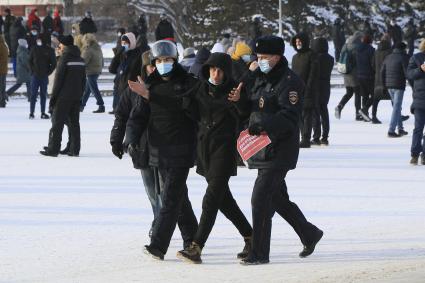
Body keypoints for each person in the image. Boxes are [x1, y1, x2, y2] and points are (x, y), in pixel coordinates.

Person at [239, 35, 323, 265]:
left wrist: (263, 125)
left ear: (277, 57)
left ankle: (259, 253)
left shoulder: (290, 81)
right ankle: (309, 233)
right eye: (258, 57)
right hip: (261, 148)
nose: (260, 61)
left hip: (280, 149)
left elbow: (289, 117)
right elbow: (249, 105)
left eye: (264, 57)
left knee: (261, 198)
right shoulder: (260, 78)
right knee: (276, 198)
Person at [176, 52, 253, 264]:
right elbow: (185, 106)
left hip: (225, 150)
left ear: (226, 72)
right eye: (212, 69)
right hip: (204, 150)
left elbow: (246, 113)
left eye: (220, 70)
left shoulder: (235, 90)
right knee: (224, 201)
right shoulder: (200, 88)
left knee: (210, 200)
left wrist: (239, 102)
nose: (216, 74)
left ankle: (196, 246)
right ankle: (251, 235)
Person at [125, 40, 199, 260]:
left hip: (182, 149)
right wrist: (132, 139)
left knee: (169, 198)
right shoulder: (150, 84)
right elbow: (138, 116)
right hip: (159, 150)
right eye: (159, 61)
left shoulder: (187, 82)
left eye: (167, 60)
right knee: (179, 198)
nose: (163, 64)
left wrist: (151, 96)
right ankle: (192, 239)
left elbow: (185, 107)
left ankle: (158, 245)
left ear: (175, 60)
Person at [110, 50, 162, 234]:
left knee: (165, 192)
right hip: (141, 148)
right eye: (151, 66)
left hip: (164, 148)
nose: (154, 69)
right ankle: (158, 221)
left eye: (157, 65)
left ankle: (164, 225)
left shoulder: (167, 89)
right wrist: (116, 140)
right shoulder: (132, 90)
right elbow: (121, 116)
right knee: (152, 192)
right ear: (145, 68)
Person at [40, 35, 85, 157]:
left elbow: (58, 81)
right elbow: (83, 80)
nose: (59, 46)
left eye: (60, 44)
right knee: (74, 124)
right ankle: (74, 149)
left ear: (64, 45)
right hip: (76, 96)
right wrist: (80, 95)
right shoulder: (80, 59)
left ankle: (53, 149)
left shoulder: (64, 58)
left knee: (57, 123)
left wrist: (53, 98)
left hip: (63, 97)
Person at [291, 32, 318, 148]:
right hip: (296, 90)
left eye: (300, 41)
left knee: (307, 114)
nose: (298, 44)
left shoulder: (312, 55)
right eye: (296, 42)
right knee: (299, 115)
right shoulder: (295, 57)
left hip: (308, 90)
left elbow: (313, 74)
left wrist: (308, 88)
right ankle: (303, 136)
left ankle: (306, 138)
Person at [108, 32, 142, 113]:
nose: (124, 45)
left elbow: (135, 72)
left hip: (131, 89)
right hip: (120, 88)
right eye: (122, 43)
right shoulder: (122, 55)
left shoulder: (137, 55)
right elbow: (112, 69)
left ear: (132, 42)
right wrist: (118, 54)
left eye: (126, 43)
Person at [381, 42, 409, 137]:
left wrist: (384, 86)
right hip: (398, 85)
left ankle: (400, 129)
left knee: (396, 107)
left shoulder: (388, 57)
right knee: (397, 108)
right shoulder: (403, 57)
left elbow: (382, 71)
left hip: (389, 86)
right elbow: (406, 72)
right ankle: (391, 131)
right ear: (403, 49)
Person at [335, 32, 363, 121]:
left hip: (345, 73)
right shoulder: (357, 47)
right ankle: (358, 114)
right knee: (357, 94)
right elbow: (358, 62)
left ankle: (340, 106)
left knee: (349, 93)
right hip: (354, 74)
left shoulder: (346, 45)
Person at [311, 37, 334, 146]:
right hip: (326, 86)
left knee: (316, 112)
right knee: (324, 111)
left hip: (315, 86)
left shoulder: (314, 58)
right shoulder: (330, 58)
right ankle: (325, 137)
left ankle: (316, 136)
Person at [29, 33, 56, 119]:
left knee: (43, 95)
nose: (38, 41)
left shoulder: (50, 50)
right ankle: (31, 112)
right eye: (37, 39)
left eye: (39, 39)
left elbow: (54, 63)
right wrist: (32, 71)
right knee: (33, 95)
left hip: (44, 76)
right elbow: (29, 61)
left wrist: (48, 72)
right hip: (35, 76)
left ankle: (43, 112)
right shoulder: (34, 49)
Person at [366, 37, 393, 124]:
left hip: (377, 78)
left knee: (376, 99)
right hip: (388, 78)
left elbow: (372, 64)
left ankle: (374, 116)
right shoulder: (389, 52)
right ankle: (398, 115)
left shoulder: (376, 52)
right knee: (394, 97)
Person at [407, 38, 425, 165]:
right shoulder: (416, 57)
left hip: (419, 97)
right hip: (420, 99)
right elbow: (409, 74)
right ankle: (414, 154)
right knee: (418, 128)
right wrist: (421, 69)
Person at [80, 33, 104, 113]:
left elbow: (84, 61)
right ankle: (81, 106)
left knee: (94, 89)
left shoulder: (88, 49)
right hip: (97, 70)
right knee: (87, 90)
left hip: (90, 71)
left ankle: (101, 105)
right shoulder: (98, 48)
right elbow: (102, 59)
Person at [356, 35, 376, 122]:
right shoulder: (371, 50)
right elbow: (373, 63)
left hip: (360, 74)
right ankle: (364, 109)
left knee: (364, 95)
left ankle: (365, 115)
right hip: (369, 75)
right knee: (375, 95)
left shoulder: (358, 49)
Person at [0, 35, 8, 108]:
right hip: (3, 70)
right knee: (2, 87)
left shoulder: (1, 46)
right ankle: (2, 101)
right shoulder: (4, 45)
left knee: (1, 87)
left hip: (1, 70)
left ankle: (2, 102)